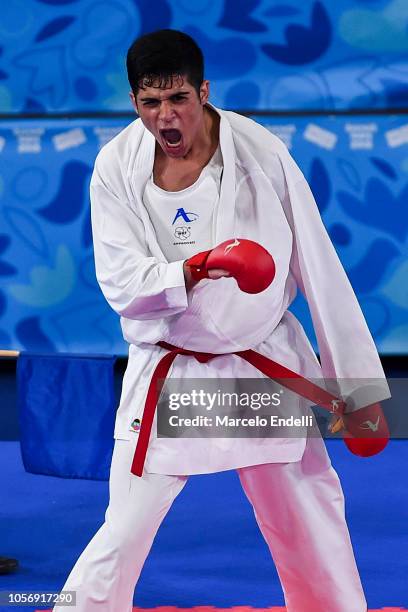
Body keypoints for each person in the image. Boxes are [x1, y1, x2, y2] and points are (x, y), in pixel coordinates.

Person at [54, 29, 390, 612]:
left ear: (204, 92)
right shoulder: (115, 166)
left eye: (178, 98)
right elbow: (121, 284)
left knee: (306, 517)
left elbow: (318, 263)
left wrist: (357, 389)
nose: (166, 116)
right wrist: (197, 268)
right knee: (124, 527)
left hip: (259, 364)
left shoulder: (260, 152)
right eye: (150, 102)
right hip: (172, 369)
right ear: (133, 102)